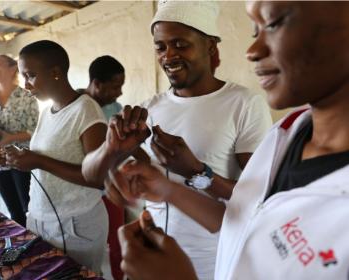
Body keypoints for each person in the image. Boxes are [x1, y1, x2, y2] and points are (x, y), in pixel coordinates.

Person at [111, 1, 349, 279]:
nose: (252, 51)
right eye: (254, 31)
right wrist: (166, 189)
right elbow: (243, 213)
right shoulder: (287, 134)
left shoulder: (243, 104)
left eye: (273, 23)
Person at [83, 2, 272, 279]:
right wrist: (111, 150)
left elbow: (260, 198)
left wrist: (198, 173)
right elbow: (90, 174)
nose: (168, 55)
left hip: (214, 259)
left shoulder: (243, 104)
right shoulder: (150, 108)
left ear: (210, 46)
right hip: (153, 256)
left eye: (180, 44)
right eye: (160, 47)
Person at [4, 40, 108, 273]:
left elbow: (97, 178)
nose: (27, 86)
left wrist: (38, 161)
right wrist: (18, 158)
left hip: (75, 224)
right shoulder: (48, 112)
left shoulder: (86, 111)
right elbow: (46, 155)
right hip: (42, 218)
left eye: (30, 75)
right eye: (24, 77)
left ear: (55, 72)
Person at [83, 55, 126, 280]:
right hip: (83, 192)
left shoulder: (115, 109)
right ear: (97, 84)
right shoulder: (77, 105)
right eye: (115, 86)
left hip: (110, 189)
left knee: (118, 240)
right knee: (87, 245)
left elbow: (122, 149)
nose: (119, 92)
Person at [0, 54, 39, 226]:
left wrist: (11, 137)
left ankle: (38, 247)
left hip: (22, 158)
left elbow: (36, 129)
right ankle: (22, 246)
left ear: (12, 68)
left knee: (28, 209)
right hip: (0, 163)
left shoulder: (27, 96)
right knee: (13, 211)